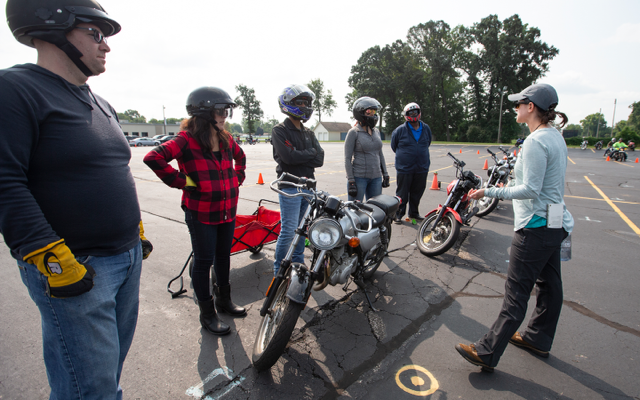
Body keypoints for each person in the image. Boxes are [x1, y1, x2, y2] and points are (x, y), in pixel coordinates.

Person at [0, 0, 152, 398]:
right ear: (52, 27)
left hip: (127, 257)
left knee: (107, 373)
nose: (106, 46)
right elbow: (4, 180)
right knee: (90, 389)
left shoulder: (101, 103)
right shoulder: (15, 89)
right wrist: (48, 255)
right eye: (96, 34)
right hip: (76, 265)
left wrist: (134, 228)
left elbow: (113, 170)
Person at [457, 83, 574, 372]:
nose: (516, 109)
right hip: (555, 220)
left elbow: (530, 190)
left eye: (519, 103)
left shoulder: (535, 141)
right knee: (550, 284)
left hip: (536, 224)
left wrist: (489, 192)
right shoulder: (555, 136)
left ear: (531, 107)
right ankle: (538, 338)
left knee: (516, 292)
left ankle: (487, 351)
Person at [144, 87, 247, 336]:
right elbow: (153, 158)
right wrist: (185, 182)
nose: (225, 116)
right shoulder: (185, 139)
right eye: (221, 111)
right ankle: (207, 314)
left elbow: (241, 158)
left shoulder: (225, 138)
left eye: (227, 111)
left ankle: (224, 301)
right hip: (200, 211)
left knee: (223, 256)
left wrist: (237, 179)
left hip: (226, 210)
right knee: (203, 261)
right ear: (204, 112)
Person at [272, 84, 325, 275]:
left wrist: (302, 153)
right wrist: (309, 152)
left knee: (303, 230)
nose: (304, 106)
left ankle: (298, 266)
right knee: (289, 230)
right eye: (300, 102)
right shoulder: (280, 131)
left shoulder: (308, 132)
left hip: (308, 187)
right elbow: (288, 157)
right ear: (288, 104)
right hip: (290, 188)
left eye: (306, 102)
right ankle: (279, 270)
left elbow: (320, 159)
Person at [390, 102, 432, 223]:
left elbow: (427, 143)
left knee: (417, 192)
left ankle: (414, 213)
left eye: (415, 112)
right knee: (402, 193)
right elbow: (394, 146)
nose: (413, 114)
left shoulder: (426, 128)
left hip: (421, 167)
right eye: (410, 113)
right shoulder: (399, 131)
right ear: (406, 115)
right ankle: (398, 214)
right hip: (405, 168)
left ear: (419, 113)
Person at [344, 97, 390, 201]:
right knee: (355, 210)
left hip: (376, 177)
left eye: (374, 111)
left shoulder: (376, 132)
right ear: (360, 113)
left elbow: (380, 154)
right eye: (369, 111)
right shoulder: (353, 132)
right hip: (359, 178)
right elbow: (347, 159)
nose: (373, 114)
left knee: (375, 209)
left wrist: (385, 174)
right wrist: (351, 181)